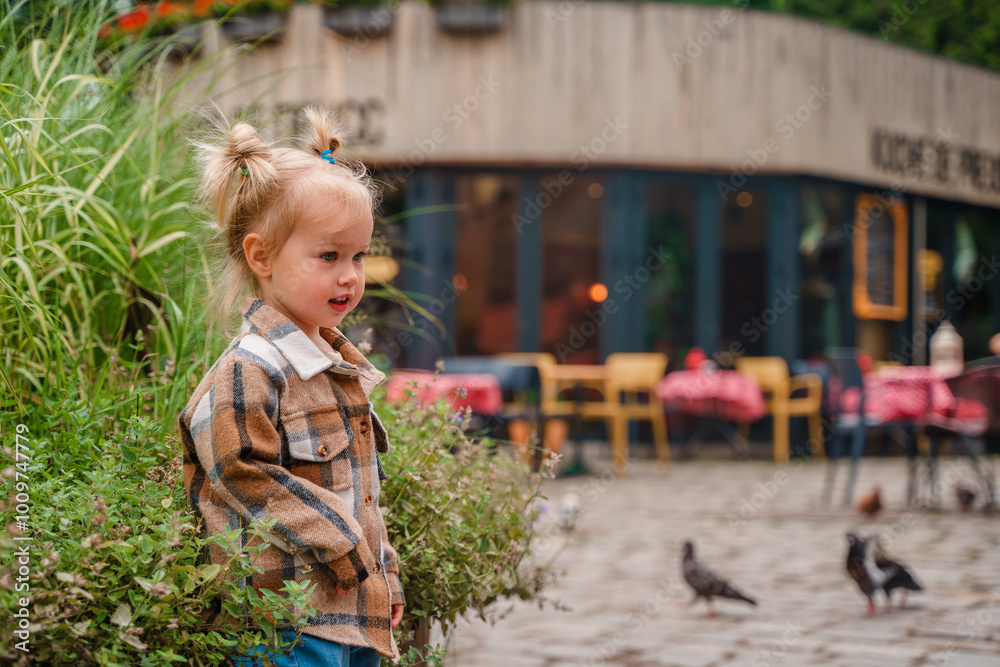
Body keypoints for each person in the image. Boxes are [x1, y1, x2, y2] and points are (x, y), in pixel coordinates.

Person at [177, 108, 404, 666]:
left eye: (358, 255)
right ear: (262, 256)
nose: (350, 275)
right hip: (285, 625)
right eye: (328, 256)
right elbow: (240, 469)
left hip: (351, 616)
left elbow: (359, 493)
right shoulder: (250, 369)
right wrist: (340, 542)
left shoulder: (333, 367)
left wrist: (384, 572)